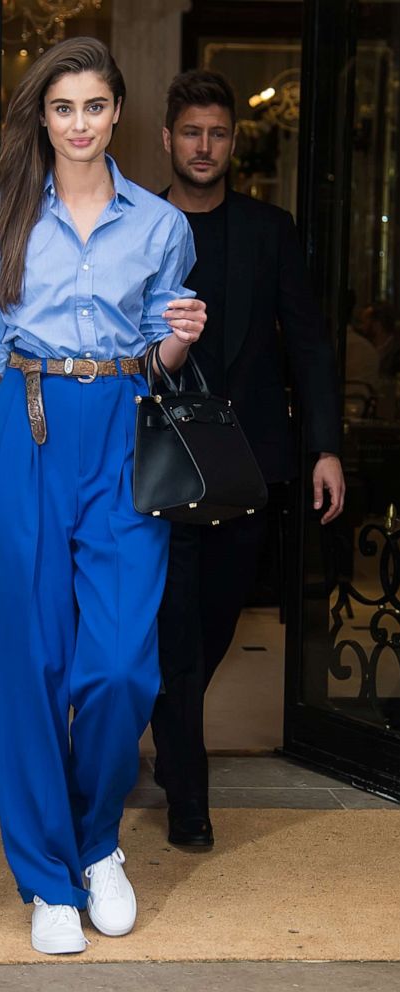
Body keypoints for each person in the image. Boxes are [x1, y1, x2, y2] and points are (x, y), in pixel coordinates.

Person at [0, 38, 206, 955]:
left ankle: (97, 844)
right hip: (25, 425)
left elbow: (157, 356)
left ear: (117, 112)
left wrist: (177, 336)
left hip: (124, 432)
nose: (80, 123)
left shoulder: (159, 226)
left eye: (95, 106)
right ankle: (47, 878)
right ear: (43, 119)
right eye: (64, 108)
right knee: (30, 665)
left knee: (122, 664)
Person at [151, 69, 345, 849]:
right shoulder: (136, 225)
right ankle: (187, 795)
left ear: (232, 141)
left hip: (247, 462)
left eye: (218, 133)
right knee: (174, 628)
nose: (204, 146)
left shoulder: (270, 229)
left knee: (216, 623)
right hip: (157, 461)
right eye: (191, 132)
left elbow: (307, 343)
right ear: (166, 139)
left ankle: (172, 747)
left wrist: (324, 445)